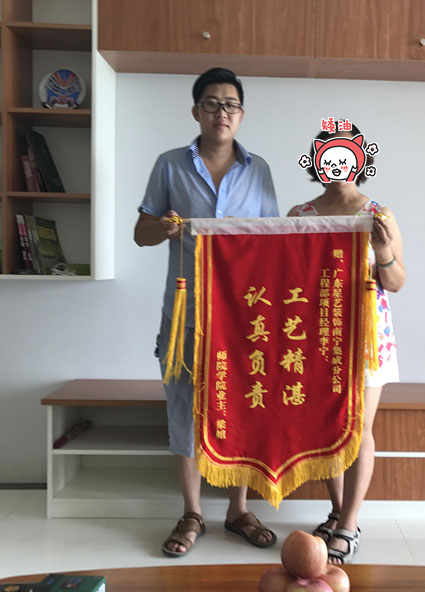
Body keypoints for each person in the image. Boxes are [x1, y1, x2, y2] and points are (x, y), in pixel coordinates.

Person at [135, 67, 279, 557]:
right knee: (183, 407)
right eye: (213, 103)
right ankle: (192, 512)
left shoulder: (258, 170)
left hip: (243, 314)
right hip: (185, 312)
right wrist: (165, 228)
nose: (222, 112)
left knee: (242, 409)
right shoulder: (170, 165)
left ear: (242, 114)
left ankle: (238, 510)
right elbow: (141, 233)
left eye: (230, 104)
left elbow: (273, 243)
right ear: (196, 111)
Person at [287, 124, 406, 564]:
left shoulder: (379, 214)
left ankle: (350, 524)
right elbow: (285, 276)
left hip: (366, 337)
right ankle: (336, 511)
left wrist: (383, 251)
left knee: (358, 429)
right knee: (326, 427)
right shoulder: (299, 214)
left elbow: (397, 281)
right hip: (316, 335)